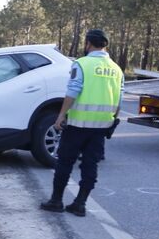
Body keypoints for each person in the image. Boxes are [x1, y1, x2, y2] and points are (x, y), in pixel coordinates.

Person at [40, 29, 122, 217]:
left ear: (88, 44)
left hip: (78, 125)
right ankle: (80, 204)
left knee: (65, 163)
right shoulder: (116, 69)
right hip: (101, 127)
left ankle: (56, 201)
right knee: (90, 165)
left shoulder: (82, 64)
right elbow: (119, 100)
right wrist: (111, 121)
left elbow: (73, 91)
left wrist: (61, 115)